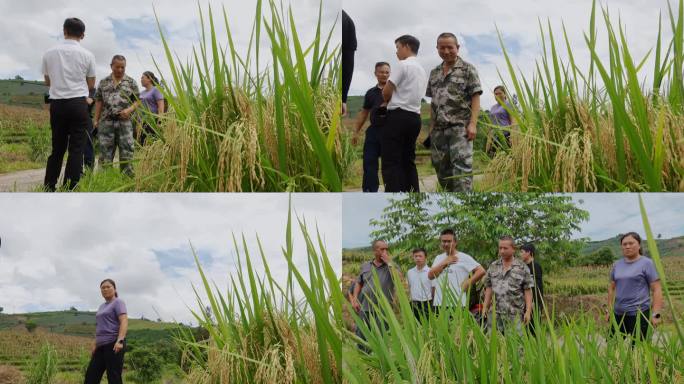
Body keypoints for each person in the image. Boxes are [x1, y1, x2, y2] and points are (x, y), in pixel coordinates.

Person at [42, 18, 96, 191]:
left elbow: (47, 81)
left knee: (57, 148)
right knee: (76, 149)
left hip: (57, 105)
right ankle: (70, 187)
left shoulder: (49, 53)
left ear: (64, 30)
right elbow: (91, 85)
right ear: (83, 35)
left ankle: (49, 186)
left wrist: (60, 84)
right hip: (78, 105)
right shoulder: (88, 55)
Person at [426, 33, 482, 192]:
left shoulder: (467, 69)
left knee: (462, 172)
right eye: (442, 47)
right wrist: (430, 129)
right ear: (437, 48)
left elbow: (475, 97)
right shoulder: (434, 72)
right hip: (438, 131)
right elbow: (433, 102)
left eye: (450, 47)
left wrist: (473, 124)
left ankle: (465, 207)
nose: (446, 51)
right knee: (442, 171)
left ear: (457, 48)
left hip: (460, 129)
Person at [381, 35, 428, 192]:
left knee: (391, 159)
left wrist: (385, 100)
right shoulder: (422, 70)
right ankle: (413, 193)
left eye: (398, 48)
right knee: (408, 159)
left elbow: (387, 90)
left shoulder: (403, 65)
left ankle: (393, 195)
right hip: (415, 117)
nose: (396, 52)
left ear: (406, 46)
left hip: (398, 117)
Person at [608, 232, 663, 342]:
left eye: (631, 243)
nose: (627, 246)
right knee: (613, 347)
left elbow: (657, 289)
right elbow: (611, 288)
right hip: (618, 314)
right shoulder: (617, 264)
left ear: (639, 245)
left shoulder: (647, 263)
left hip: (639, 314)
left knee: (639, 350)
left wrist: (656, 314)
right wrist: (609, 310)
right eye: (624, 244)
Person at [350, 240, 401, 350]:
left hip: (383, 309)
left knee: (381, 338)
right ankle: (364, 360)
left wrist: (389, 263)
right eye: (382, 249)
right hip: (365, 307)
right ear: (374, 251)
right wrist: (354, 299)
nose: (385, 251)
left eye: (387, 249)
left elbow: (399, 280)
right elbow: (359, 282)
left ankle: (379, 363)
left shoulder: (392, 266)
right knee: (362, 336)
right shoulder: (365, 266)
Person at [94, 55, 140, 176]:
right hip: (106, 122)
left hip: (125, 123)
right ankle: (104, 180)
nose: (120, 70)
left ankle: (127, 181)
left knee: (127, 152)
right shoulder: (103, 82)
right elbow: (98, 100)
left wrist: (129, 110)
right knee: (105, 153)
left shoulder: (131, 82)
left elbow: (137, 100)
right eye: (117, 67)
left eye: (122, 67)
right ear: (111, 66)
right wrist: (96, 120)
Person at [482, 236, 534, 333]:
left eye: (505, 248)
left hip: (515, 315)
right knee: (494, 344)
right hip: (495, 314)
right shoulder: (493, 266)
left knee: (516, 345)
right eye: (500, 248)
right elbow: (488, 288)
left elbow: (528, 290)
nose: (502, 251)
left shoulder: (522, 267)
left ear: (513, 249)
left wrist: (528, 311)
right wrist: (485, 306)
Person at [428, 229, 486, 316]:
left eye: (449, 241)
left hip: (457, 302)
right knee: (440, 329)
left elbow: (481, 271)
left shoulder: (464, 257)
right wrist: (445, 262)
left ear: (455, 242)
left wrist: (467, 283)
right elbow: (430, 275)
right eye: (444, 241)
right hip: (439, 303)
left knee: (457, 329)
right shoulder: (438, 258)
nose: (446, 244)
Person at [352, 62, 390, 192]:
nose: (384, 74)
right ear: (376, 74)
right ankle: (369, 190)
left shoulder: (395, 90)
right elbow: (364, 113)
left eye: (387, 72)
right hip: (373, 131)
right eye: (381, 72)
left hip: (390, 131)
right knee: (369, 162)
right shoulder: (370, 93)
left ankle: (391, 190)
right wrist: (355, 132)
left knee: (389, 164)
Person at [84, 279, 128, 384]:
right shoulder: (101, 306)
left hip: (113, 344)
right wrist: (95, 343)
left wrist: (120, 341)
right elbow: (100, 326)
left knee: (113, 377)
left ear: (114, 289)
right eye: (103, 288)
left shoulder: (118, 302)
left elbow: (124, 321)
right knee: (91, 376)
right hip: (100, 346)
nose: (105, 289)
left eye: (108, 286)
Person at [520, 243, 544, 336]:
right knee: (525, 329)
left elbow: (537, 286)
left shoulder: (535, 266)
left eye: (522, 252)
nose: (520, 254)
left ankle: (538, 349)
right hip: (525, 302)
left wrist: (534, 302)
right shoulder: (523, 267)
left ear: (528, 252)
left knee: (534, 328)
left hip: (534, 303)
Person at [407, 248, 434, 322]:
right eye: (415, 256)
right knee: (415, 326)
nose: (418, 258)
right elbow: (409, 287)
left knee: (428, 325)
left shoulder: (431, 271)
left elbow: (433, 289)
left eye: (420, 256)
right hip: (413, 303)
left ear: (425, 257)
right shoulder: (410, 272)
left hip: (427, 303)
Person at [138, 71, 165, 145]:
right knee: (143, 144)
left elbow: (161, 107)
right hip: (143, 122)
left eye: (142, 77)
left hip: (153, 122)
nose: (141, 79)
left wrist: (160, 121)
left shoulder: (156, 90)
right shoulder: (142, 93)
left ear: (149, 79)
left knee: (153, 144)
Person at [489, 85, 514, 153]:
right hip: (494, 136)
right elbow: (491, 122)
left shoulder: (508, 104)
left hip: (505, 135)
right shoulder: (493, 107)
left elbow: (512, 120)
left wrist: (512, 136)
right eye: (496, 94)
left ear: (504, 94)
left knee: (506, 156)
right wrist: (489, 136)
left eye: (500, 93)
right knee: (494, 156)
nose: (498, 95)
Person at [341, 10, 356, 116]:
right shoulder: (348, 21)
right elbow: (348, 64)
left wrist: (343, 98)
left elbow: (348, 64)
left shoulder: (347, 21)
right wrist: (343, 98)